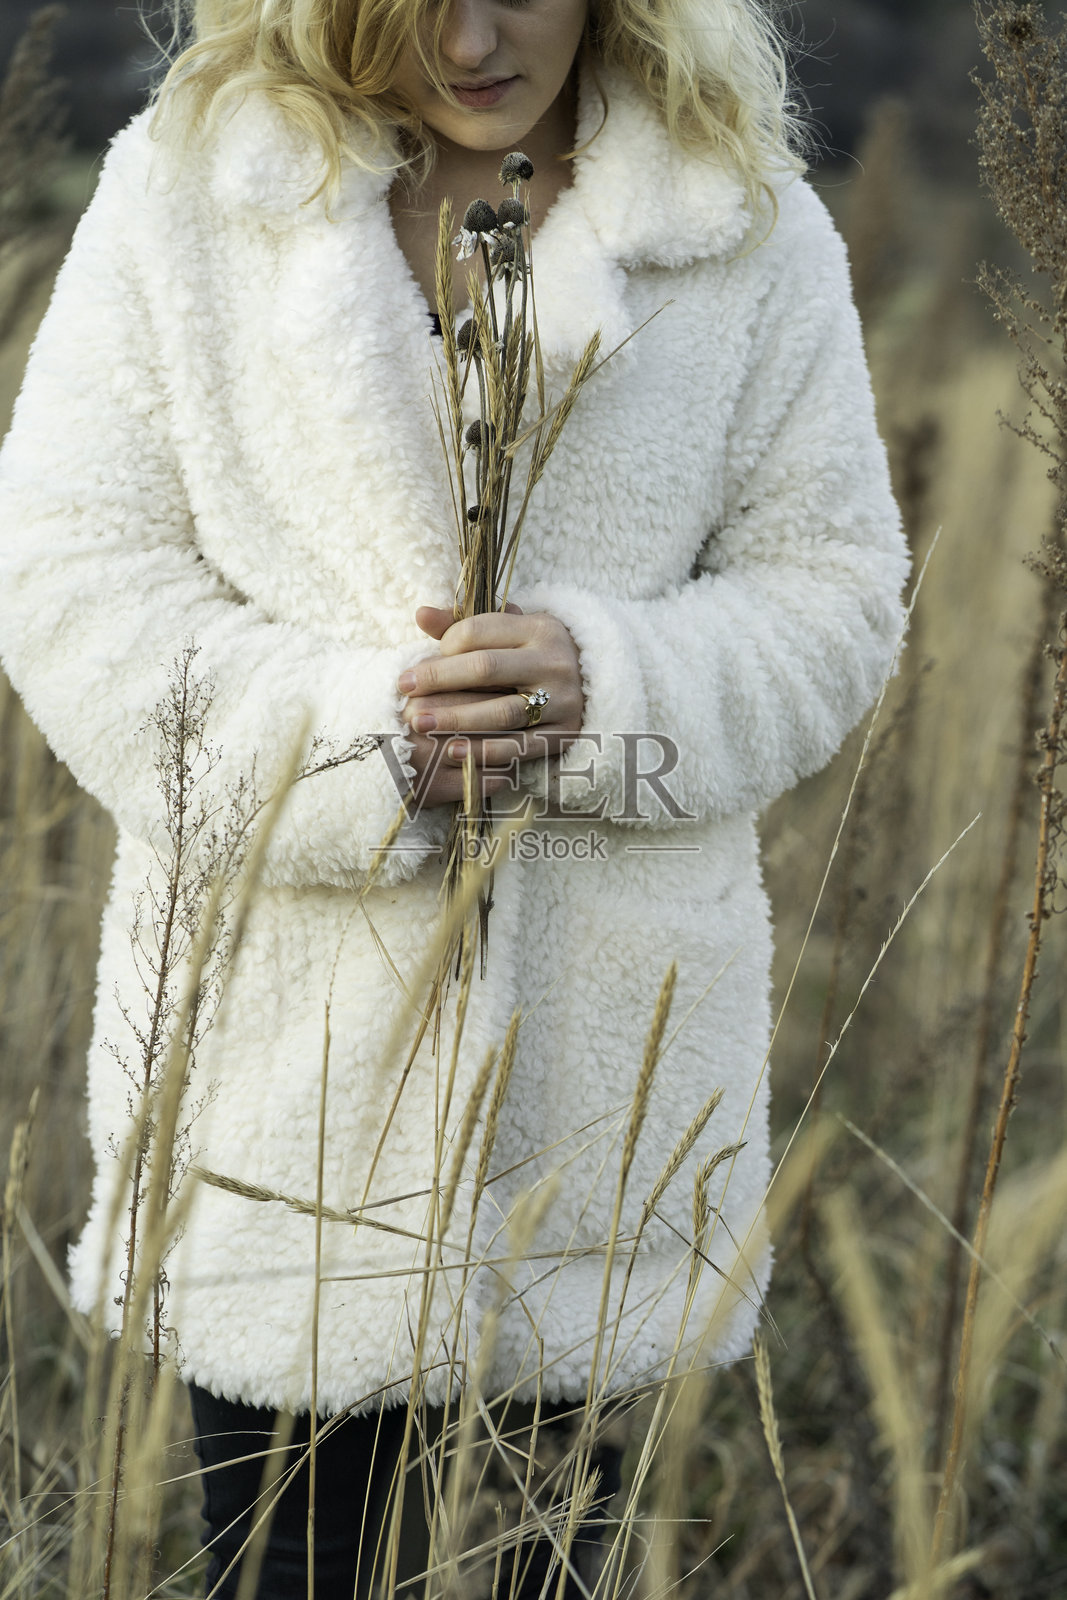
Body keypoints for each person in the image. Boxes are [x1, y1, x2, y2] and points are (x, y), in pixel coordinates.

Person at [0, 0, 909, 1594]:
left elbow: (834, 597)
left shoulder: (742, 221)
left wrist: (610, 687)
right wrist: (366, 743)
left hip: (609, 1136)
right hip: (279, 1122)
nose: (476, 38)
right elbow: (72, 590)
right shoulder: (191, 191)